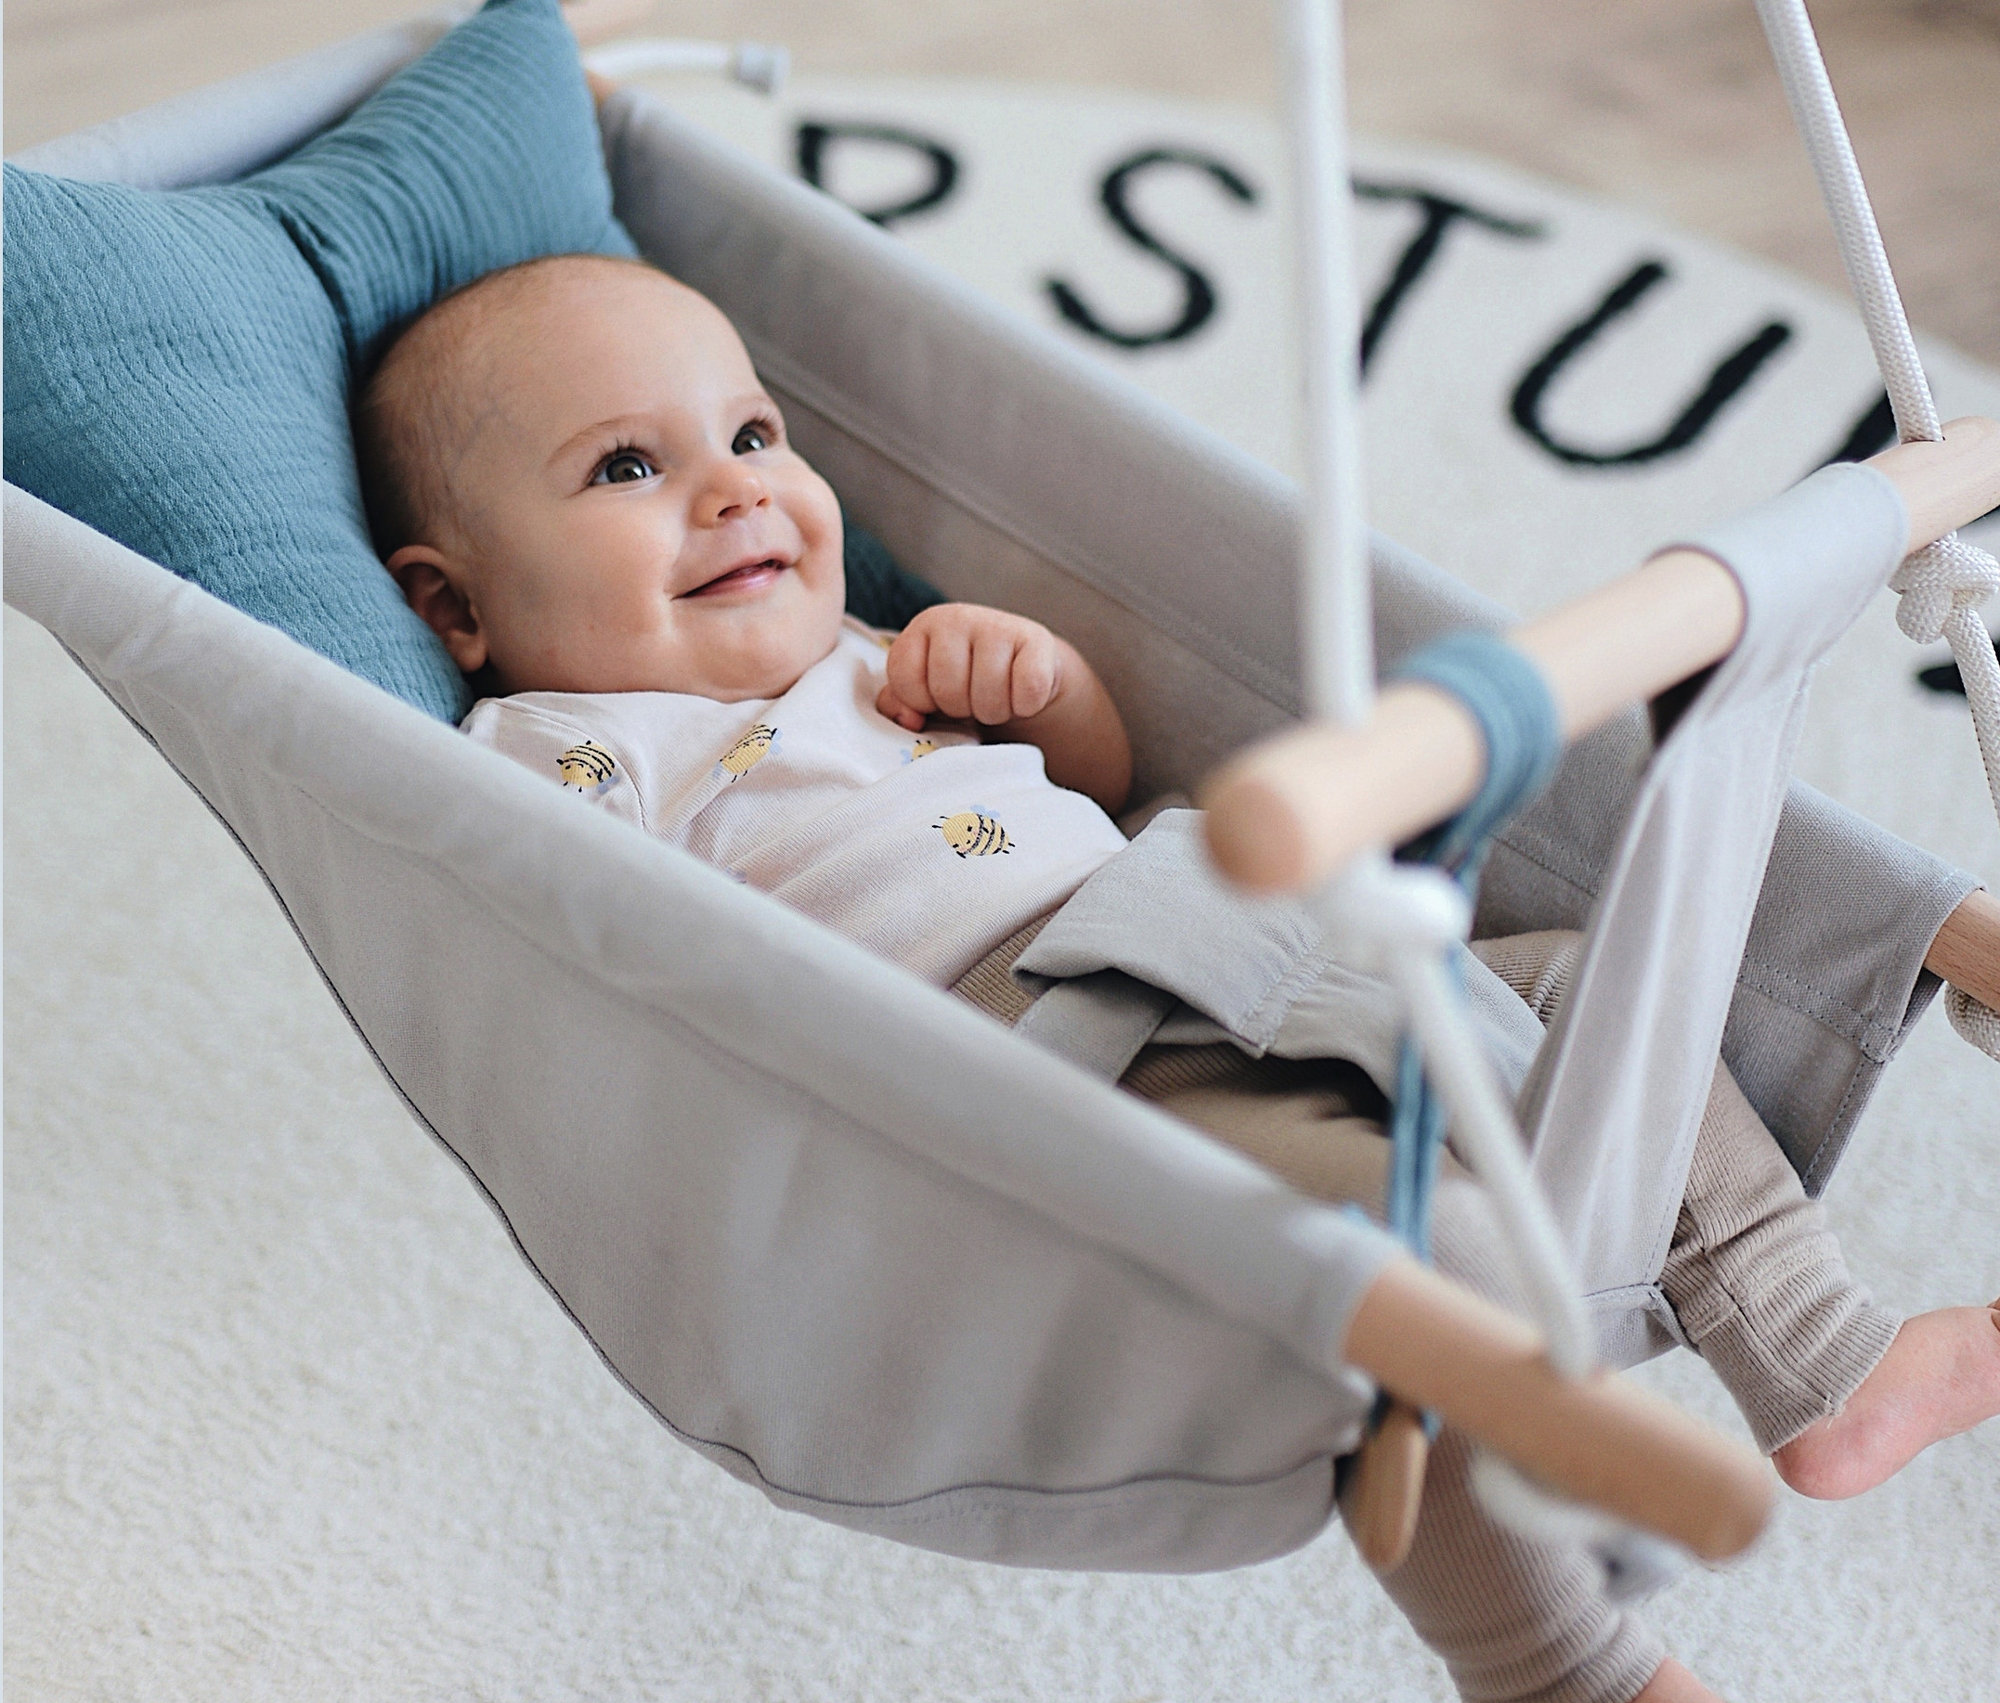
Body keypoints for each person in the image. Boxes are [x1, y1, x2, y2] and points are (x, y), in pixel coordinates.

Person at [354, 249, 2000, 1703]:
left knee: (1577, 983)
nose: (733, 494)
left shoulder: (863, 654)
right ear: (458, 604)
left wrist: (1041, 685)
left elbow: (1105, 775)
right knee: (1394, 1276)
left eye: (756, 436)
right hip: (1045, 1041)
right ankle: (1562, 1663)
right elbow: (567, 914)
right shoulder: (569, 745)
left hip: (1202, 917)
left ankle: (1823, 1355)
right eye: (629, 466)